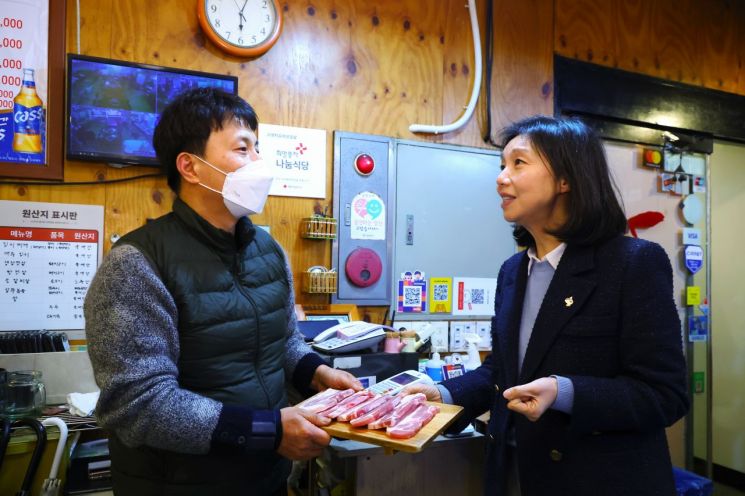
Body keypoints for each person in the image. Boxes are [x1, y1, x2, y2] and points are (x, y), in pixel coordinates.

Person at [84, 88, 361, 495]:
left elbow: (282, 343)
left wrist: (317, 373)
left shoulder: (268, 251)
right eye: (242, 148)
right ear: (190, 167)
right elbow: (138, 403)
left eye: (258, 149)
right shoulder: (136, 263)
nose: (259, 164)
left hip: (264, 477)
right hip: (177, 484)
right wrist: (268, 431)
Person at [404, 116, 689, 495]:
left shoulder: (633, 263)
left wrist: (565, 392)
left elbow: (664, 395)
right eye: (501, 165)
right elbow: (502, 373)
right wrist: (443, 394)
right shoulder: (512, 271)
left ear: (565, 179)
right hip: (515, 474)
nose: (501, 178)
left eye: (518, 163)